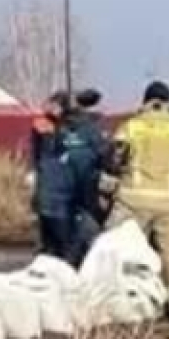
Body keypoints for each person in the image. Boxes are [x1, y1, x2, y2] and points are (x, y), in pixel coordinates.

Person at [103, 81, 169, 322]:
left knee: (119, 249)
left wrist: (105, 191)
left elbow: (113, 163)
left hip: (131, 202)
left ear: (145, 101)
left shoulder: (131, 127)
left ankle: (121, 303)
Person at [31, 90, 107, 267]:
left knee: (50, 253)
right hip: (70, 203)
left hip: (47, 201)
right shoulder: (88, 131)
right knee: (72, 253)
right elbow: (96, 163)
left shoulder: (47, 129)